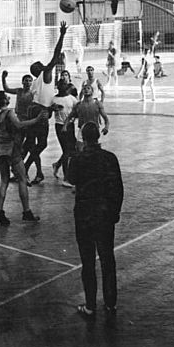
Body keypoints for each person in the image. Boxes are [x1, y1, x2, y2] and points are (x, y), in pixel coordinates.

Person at [67, 122, 124, 317]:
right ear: (98, 136)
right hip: (105, 213)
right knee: (108, 259)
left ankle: (90, 305)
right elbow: (118, 188)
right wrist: (115, 212)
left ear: (83, 138)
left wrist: (75, 154)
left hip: (84, 214)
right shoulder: (110, 158)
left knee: (88, 261)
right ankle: (111, 303)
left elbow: (71, 179)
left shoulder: (78, 158)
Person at [0, 90, 47, 226]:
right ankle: (26, 211)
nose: (9, 97)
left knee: (4, 180)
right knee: (22, 179)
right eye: (7, 96)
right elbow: (19, 125)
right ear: (4, 100)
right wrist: (36, 120)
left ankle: (0, 211)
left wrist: (1, 138)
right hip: (11, 149)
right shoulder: (9, 113)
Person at [25, 21, 68, 185]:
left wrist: (51, 106)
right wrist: (62, 35)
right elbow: (56, 55)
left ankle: (33, 170)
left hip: (36, 111)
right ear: (39, 69)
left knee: (36, 145)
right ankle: (27, 168)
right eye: (39, 64)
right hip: (40, 113)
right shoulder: (45, 74)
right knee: (39, 144)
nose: (42, 63)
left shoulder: (37, 82)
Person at [63, 83, 109, 152]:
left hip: (94, 130)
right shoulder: (78, 105)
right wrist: (65, 126)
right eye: (84, 89)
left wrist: (106, 127)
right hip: (82, 130)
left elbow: (106, 119)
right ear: (82, 91)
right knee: (79, 149)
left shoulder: (97, 104)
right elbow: (69, 117)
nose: (86, 90)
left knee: (94, 150)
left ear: (92, 91)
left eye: (88, 88)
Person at [1, 71, 34, 165]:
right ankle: (16, 164)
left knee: (29, 145)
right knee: (17, 143)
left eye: (29, 81)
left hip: (29, 121)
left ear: (32, 83)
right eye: (26, 81)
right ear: (22, 82)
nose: (27, 82)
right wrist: (3, 78)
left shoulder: (33, 94)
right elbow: (6, 89)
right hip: (18, 120)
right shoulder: (19, 91)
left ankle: (21, 163)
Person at [51, 79, 78, 187]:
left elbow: (77, 110)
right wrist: (51, 109)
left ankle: (57, 165)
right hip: (60, 126)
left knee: (72, 150)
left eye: (64, 85)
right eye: (61, 85)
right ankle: (66, 177)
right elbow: (48, 113)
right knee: (66, 150)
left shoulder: (71, 98)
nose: (63, 86)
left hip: (70, 126)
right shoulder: (54, 99)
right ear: (57, 86)